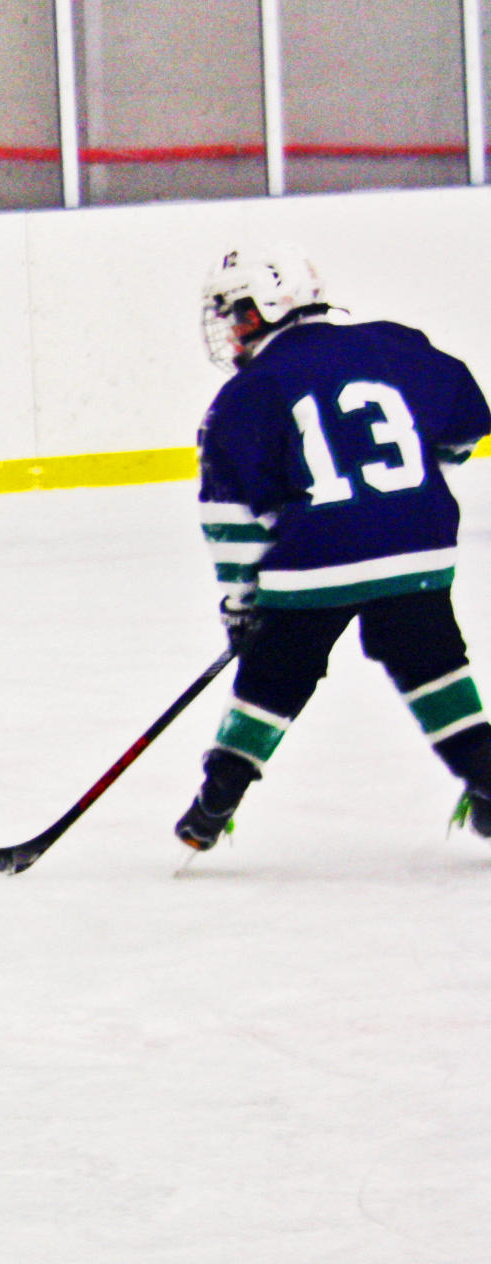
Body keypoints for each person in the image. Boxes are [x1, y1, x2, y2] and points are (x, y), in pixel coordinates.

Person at [175, 244, 491, 850]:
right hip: (417, 550)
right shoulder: (396, 345)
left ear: (269, 308)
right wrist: (410, 491)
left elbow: (231, 516)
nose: (232, 330)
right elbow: (465, 420)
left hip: (313, 561)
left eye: (237, 314)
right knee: (432, 662)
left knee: (275, 674)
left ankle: (215, 801)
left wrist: (241, 604)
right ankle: (488, 777)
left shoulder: (247, 393)